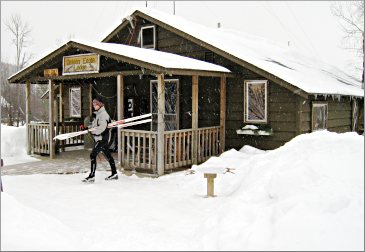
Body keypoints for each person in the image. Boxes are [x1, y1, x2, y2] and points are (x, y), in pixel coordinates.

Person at [82, 97, 118, 182]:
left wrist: (93, 132)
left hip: (102, 139)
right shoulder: (98, 114)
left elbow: (102, 128)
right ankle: (114, 173)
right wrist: (87, 128)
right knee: (108, 155)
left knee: (92, 155)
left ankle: (92, 176)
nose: (94, 105)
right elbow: (95, 127)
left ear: (100, 105)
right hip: (101, 138)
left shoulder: (103, 115)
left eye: (96, 104)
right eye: (93, 104)